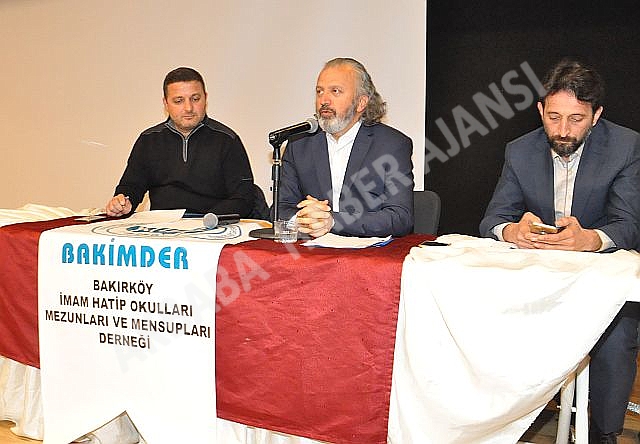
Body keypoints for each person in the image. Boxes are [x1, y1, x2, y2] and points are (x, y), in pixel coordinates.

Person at [479, 58, 640, 444]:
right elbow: (492, 219)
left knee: (618, 334)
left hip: (600, 279)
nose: (563, 130)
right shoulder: (519, 151)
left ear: (596, 115)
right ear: (540, 110)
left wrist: (591, 239)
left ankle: (603, 433)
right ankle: (504, 425)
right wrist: (512, 230)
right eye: (553, 117)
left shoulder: (625, 146)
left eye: (576, 119)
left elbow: (629, 223)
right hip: (540, 278)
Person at [278, 57, 414, 238]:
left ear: (361, 102)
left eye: (335, 91)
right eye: (319, 91)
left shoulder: (392, 145)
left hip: (368, 251)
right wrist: (305, 219)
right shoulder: (299, 144)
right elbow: (280, 209)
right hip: (312, 250)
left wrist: (333, 221)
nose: (324, 100)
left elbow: (400, 217)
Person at [105, 67, 256, 218]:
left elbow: (243, 198)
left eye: (195, 99)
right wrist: (123, 202)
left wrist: (208, 220)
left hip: (210, 224)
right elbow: (131, 186)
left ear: (205, 98)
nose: (188, 108)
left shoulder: (227, 140)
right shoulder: (148, 140)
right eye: (179, 101)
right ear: (166, 103)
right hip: (162, 225)